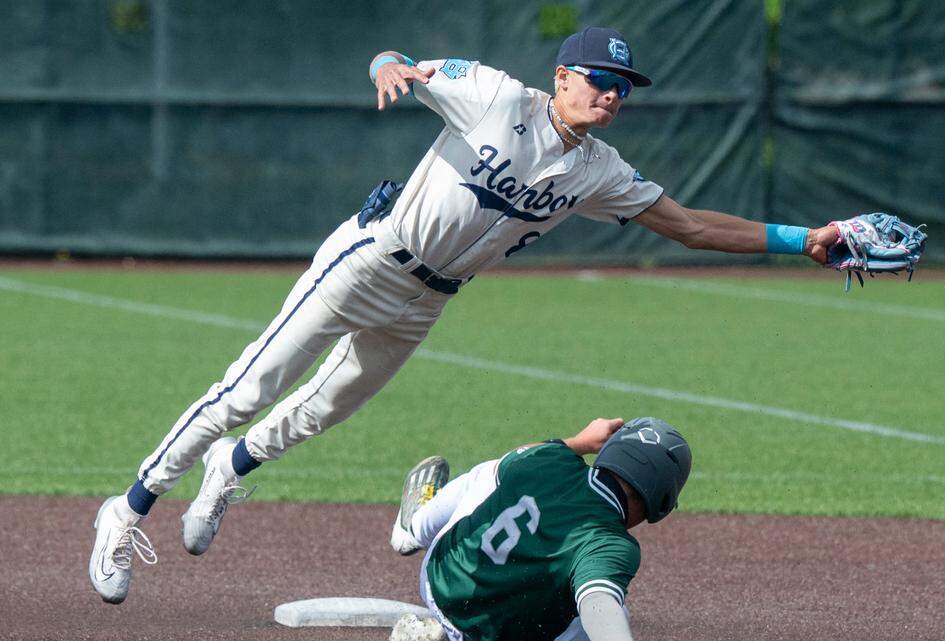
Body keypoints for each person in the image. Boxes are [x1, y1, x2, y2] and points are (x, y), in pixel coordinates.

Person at [89, 26, 840, 604]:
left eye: (624, 88)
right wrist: (386, 65)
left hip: (429, 297)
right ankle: (125, 512)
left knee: (323, 409)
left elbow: (690, 225)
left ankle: (232, 466)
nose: (612, 95)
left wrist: (801, 238)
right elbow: (398, 60)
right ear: (563, 76)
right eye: (600, 80)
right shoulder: (493, 93)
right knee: (245, 390)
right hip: (367, 259)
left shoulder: (599, 170)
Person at [389, 416, 691, 641]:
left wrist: (579, 442)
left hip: (437, 582)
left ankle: (412, 529)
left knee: (491, 472)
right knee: (609, 611)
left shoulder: (552, 459)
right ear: (661, 501)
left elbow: (527, 452)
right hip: (492, 635)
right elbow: (599, 605)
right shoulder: (611, 543)